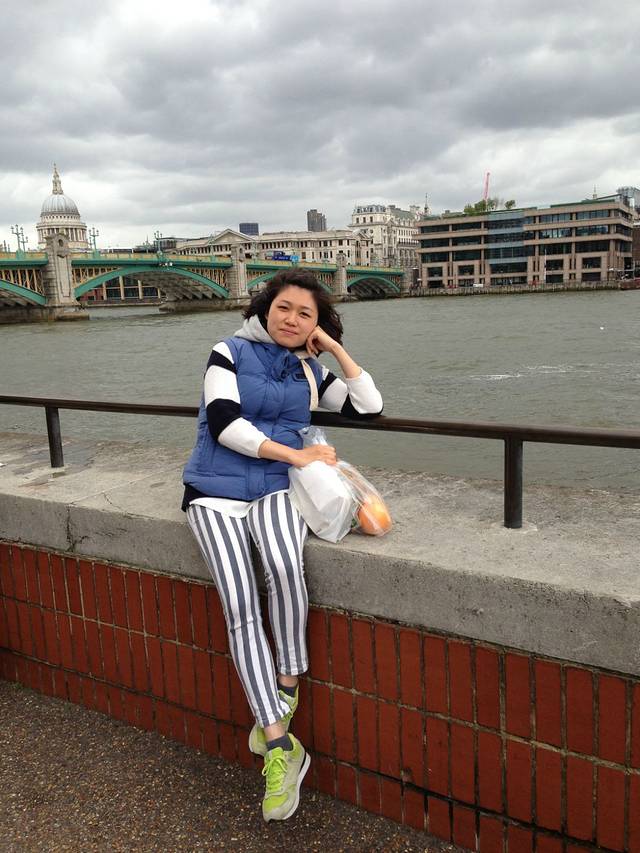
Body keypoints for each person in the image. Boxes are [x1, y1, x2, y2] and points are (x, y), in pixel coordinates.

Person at [182, 269, 383, 822]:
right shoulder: (227, 351)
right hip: (214, 490)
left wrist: (334, 349)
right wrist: (296, 454)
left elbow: (368, 407)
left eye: (306, 314)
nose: (292, 320)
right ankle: (279, 744)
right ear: (265, 308)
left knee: (285, 567)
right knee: (240, 604)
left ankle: (287, 683)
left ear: (317, 324)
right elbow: (223, 423)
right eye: (284, 308)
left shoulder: (309, 368)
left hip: (274, 489)